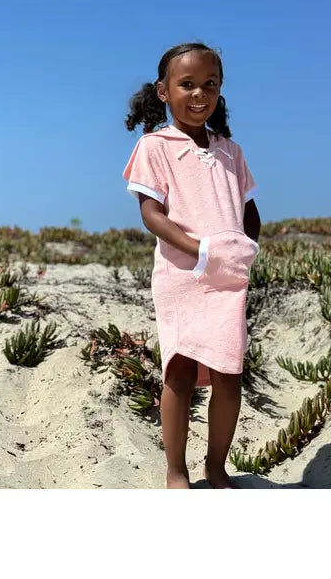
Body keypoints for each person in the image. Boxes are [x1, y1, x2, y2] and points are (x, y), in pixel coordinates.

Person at [122, 42, 261, 489]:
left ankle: (216, 467)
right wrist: (198, 250)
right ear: (164, 91)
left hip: (227, 279)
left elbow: (250, 212)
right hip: (179, 276)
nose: (199, 94)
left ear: (219, 90)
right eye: (187, 84)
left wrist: (245, 250)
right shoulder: (154, 146)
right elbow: (151, 214)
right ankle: (176, 471)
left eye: (209, 84)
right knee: (179, 372)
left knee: (228, 373)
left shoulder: (231, 151)